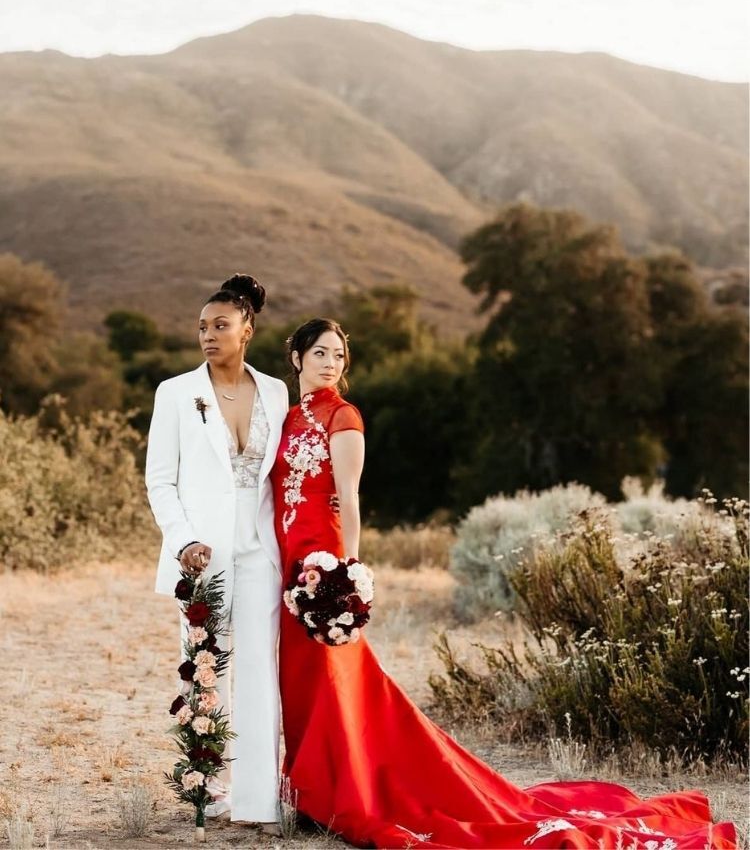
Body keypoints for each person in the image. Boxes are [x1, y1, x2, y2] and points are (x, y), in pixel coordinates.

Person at [270, 317, 737, 850]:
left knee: (336, 681)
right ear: (297, 358)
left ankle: (341, 791)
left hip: (324, 570)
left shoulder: (344, 416)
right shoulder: (285, 420)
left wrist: (346, 573)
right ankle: (309, 791)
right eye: (321, 353)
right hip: (289, 569)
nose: (331, 363)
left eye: (339, 355)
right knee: (304, 682)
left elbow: (349, 498)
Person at [145, 273, 286, 833]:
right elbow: (160, 481)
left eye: (220, 325)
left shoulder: (275, 390)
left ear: (247, 329)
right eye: (202, 326)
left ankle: (260, 801)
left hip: (260, 552)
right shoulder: (176, 393)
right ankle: (213, 792)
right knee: (207, 675)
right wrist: (184, 541)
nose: (208, 334)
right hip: (201, 559)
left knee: (259, 672)